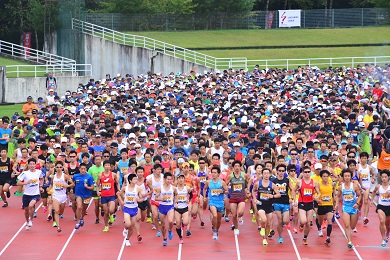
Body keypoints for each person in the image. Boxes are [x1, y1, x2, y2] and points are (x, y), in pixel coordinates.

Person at [292, 166, 320, 245]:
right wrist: (295, 200)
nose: (307, 174)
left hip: (310, 203)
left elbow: (319, 192)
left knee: (308, 223)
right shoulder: (299, 182)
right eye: (305, 172)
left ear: (310, 172)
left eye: (308, 172)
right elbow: (293, 191)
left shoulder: (314, 182)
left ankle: (305, 238)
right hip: (302, 203)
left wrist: (317, 197)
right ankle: (301, 225)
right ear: (303, 173)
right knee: (303, 221)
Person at [252, 168, 281, 245]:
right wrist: (254, 198)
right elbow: (253, 191)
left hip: (269, 206)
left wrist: (272, 196)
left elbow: (278, 194)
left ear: (270, 174)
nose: (266, 175)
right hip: (260, 204)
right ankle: (262, 227)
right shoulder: (258, 183)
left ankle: (265, 238)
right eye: (264, 173)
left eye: (267, 173)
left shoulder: (272, 185)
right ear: (262, 174)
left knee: (268, 223)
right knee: (264, 219)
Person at [335, 168, 362, 249]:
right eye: (345, 176)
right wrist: (336, 204)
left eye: (348, 176)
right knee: (347, 225)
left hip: (353, 208)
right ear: (343, 177)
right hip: (345, 207)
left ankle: (353, 228)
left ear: (351, 177)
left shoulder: (354, 186)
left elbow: (360, 195)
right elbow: (338, 196)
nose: (347, 177)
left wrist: (357, 203)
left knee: (352, 226)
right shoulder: (341, 187)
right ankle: (349, 241)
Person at [117, 173, 144, 247]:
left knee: (131, 227)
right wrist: (122, 202)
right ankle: (125, 228)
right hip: (127, 208)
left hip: (134, 208)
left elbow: (141, 199)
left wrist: (138, 200)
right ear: (130, 180)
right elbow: (118, 194)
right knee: (128, 224)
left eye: (136, 179)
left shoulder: (138, 189)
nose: (136, 180)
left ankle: (127, 239)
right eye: (134, 179)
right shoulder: (125, 188)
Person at [17, 158, 44, 230]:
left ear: (35, 165)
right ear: (28, 165)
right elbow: (18, 183)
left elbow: (42, 178)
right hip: (26, 194)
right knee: (26, 210)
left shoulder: (39, 172)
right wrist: (26, 183)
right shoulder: (25, 173)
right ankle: (27, 221)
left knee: (31, 206)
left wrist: (41, 186)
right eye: (30, 164)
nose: (32, 165)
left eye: (33, 164)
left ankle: (31, 220)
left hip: (35, 194)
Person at [203, 166, 228, 240]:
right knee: (214, 215)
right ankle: (214, 230)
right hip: (212, 201)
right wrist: (205, 196)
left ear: (218, 174)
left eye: (215, 173)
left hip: (220, 202)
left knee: (219, 220)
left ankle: (216, 229)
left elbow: (227, 191)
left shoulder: (222, 182)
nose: (213, 174)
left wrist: (222, 191)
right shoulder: (208, 182)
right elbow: (204, 189)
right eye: (212, 173)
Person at [49, 161, 74, 232]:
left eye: (60, 167)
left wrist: (67, 185)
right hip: (55, 196)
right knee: (56, 211)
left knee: (61, 212)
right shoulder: (53, 177)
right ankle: (58, 227)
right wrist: (49, 193)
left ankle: (59, 216)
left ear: (62, 168)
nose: (59, 168)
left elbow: (73, 184)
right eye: (57, 167)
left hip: (63, 196)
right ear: (55, 168)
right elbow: (51, 185)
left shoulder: (65, 176)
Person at [226, 160, 250, 235]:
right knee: (233, 215)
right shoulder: (230, 176)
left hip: (241, 197)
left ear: (240, 167)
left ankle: (240, 217)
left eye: (238, 166)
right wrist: (227, 188)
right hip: (233, 197)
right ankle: (236, 228)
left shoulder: (244, 175)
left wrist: (248, 190)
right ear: (233, 167)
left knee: (240, 212)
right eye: (235, 166)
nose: (237, 168)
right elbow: (225, 184)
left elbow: (248, 182)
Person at [272, 164, 294, 244]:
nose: (281, 172)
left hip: (285, 202)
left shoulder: (287, 180)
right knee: (279, 220)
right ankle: (280, 236)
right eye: (280, 171)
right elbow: (270, 191)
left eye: (283, 171)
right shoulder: (274, 181)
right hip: (276, 202)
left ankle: (285, 224)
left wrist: (292, 198)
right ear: (277, 171)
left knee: (285, 220)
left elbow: (292, 190)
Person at [96, 160, 120, 232]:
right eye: (105, 165)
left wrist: (119, 190)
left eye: (108, 165)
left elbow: (117, 183)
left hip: (111, 195)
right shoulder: (100, 175)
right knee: (106, 212)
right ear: (103, 167)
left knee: (111, 210)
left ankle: (112, 215)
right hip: (104, 196)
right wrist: (98, 191)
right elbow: (97, 184)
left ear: (110, 167)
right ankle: (106, 226)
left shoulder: (113, 175)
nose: (107, 167)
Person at [155, 172, 175, 246]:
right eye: (168, 179)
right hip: (162, 207)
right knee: (163, 225)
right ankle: (164, 238)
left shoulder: (173, 188)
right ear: (164, 179)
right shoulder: (160, 188)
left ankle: (170, 230)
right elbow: (156, 198)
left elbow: (177, 195)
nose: (169, 181)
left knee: (170, 221)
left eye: (170, 179)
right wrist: (161, 199)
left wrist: (176, 202)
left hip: (170, 206)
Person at [371, 170, 390, 247]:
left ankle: (387, 233)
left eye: (385, 177)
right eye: (382, 177)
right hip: (381, 206)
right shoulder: (378, 186)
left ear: (388, 177)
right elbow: (374, 192)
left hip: (389, 206)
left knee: (388, 225)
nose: (384, 179)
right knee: (382, 221)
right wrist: (371, 200)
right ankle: (383, 238)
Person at [73, 163, 95, 229]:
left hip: (87, 196)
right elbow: (72, 183)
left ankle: (81, 218)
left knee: (84, 210)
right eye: (81, 169)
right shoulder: (75, 176)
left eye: (84, 169)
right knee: (79, 207)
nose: (83, 170)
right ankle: (78, 221)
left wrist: (87, 187)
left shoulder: (89, 177)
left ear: (86, 170)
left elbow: (92, 188)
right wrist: (71, 189)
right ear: (79, 169)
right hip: (78, 195)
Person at [316, 170, 335, 244]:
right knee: (320, 222)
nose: (325, 178)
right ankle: (319, 229)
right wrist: (317, 200)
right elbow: (317, 193)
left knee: (329, 220)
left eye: (327, 176)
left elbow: (334, 194)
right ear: (321, 177)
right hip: (321, 205)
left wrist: (335, 204)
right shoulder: (318, 185)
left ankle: (328, 237)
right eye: (324, 176)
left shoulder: (331, 185)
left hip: (329, 205)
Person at [146, 163, 164, 236]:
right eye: (158, 169)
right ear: (154, 170)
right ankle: (158, 230)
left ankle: (163, 228)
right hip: (154, 200)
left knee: (162, 218)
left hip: (162, 200)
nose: (159, 171)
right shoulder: (150, 179)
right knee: (155, 216)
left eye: (160, 169)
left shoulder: (163, 177)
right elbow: (148, 188)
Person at [174, 173, 192, 244]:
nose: (181, 180)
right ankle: (180, 237)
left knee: (186, 222)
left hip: (184, 207)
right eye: (179, 178)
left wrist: (189, 200)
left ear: (184, 179)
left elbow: (191, 195)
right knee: (178, 224)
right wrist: (175, 203)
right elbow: (172, 196)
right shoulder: (174, 188)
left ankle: (183, 224)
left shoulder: (187, 188)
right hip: (177, 208)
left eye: (182, 178)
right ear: (177, 180)